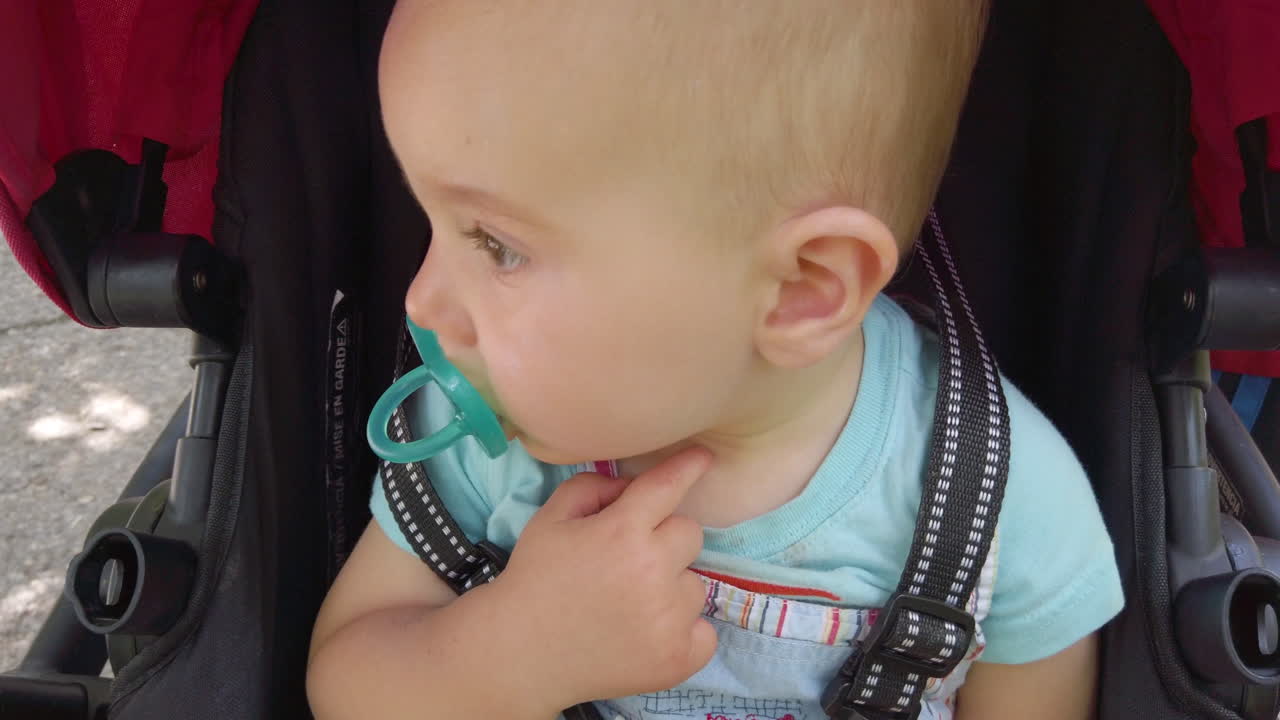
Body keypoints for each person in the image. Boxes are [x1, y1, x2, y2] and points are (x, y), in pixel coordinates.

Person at [307, 2, 1124, 718]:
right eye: (434, 223)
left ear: (801, 289)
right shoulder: (489, 448)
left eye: (496, 245)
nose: (420, 303)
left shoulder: (1002, 504)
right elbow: (344, 676)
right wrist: (507, 657)